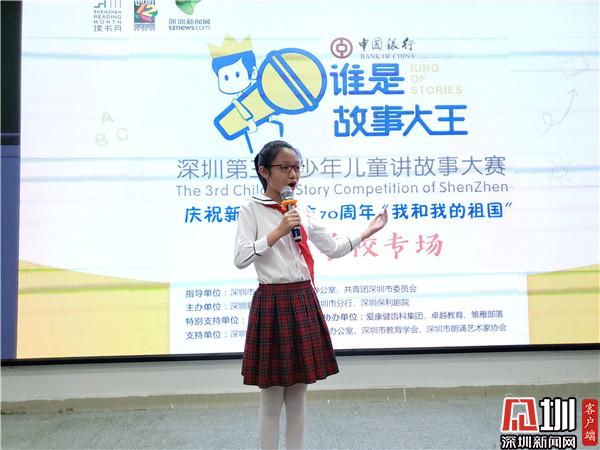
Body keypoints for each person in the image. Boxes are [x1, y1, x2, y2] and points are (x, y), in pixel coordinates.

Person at [234, 140, 388, 449]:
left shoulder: (300, 208)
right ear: (264, 171)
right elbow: (240, 258)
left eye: (297, 168)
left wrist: (367, 232)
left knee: (298, 397)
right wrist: (277, 232)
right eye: (284, 167)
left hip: (302, 299)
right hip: (272, 302)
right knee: (272, 399)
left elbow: (333, 248)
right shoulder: (251, 208)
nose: (293, 174)